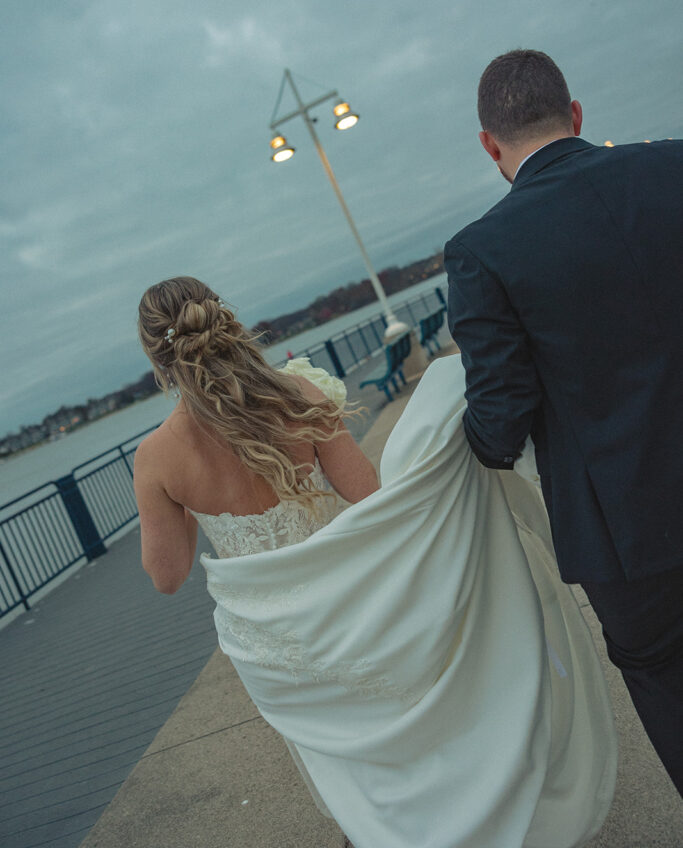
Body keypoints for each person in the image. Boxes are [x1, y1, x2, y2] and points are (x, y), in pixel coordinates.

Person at [135, 275, 617, 847]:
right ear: (226, 321)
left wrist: (186, 505)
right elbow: (371, 497)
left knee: (340, 749)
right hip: (350, 602)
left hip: (275, 639)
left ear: (158, 357)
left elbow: (167, 577)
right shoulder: (298, 396)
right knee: (392, 729)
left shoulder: (156, 456)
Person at [444, 48, 683, 796]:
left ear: (490, 146)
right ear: (574, 114)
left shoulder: (481, 251)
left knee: (661, 673)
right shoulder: (671, 168)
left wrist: (472, 444)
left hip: (628, 531)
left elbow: (500, 418)